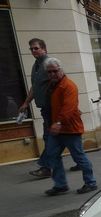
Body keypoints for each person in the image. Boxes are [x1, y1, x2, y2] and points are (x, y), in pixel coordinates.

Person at [43, 57, 97, 196]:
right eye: (49, 72)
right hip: (56, 130)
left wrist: (58, 122)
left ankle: (91, 183)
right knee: (52, 155)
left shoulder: (68, 86)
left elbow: (69, 107)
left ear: (61, 70)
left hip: (69, 128)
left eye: (55, 71)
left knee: (79, 156)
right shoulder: (52, 85)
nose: (52, 74)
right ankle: (61, 185)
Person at [19, 38, 52, 179]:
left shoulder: (49, 64)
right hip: (45, 108)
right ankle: (80, 161)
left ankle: (46, 167)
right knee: (62, 138)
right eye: (31, 49)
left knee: (49, 138)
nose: (33, 51)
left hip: (52, 108)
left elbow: (60, 81)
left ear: (44, 49)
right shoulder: (36, 65)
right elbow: (35, 87)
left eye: (36, 48)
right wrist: (26, 103)